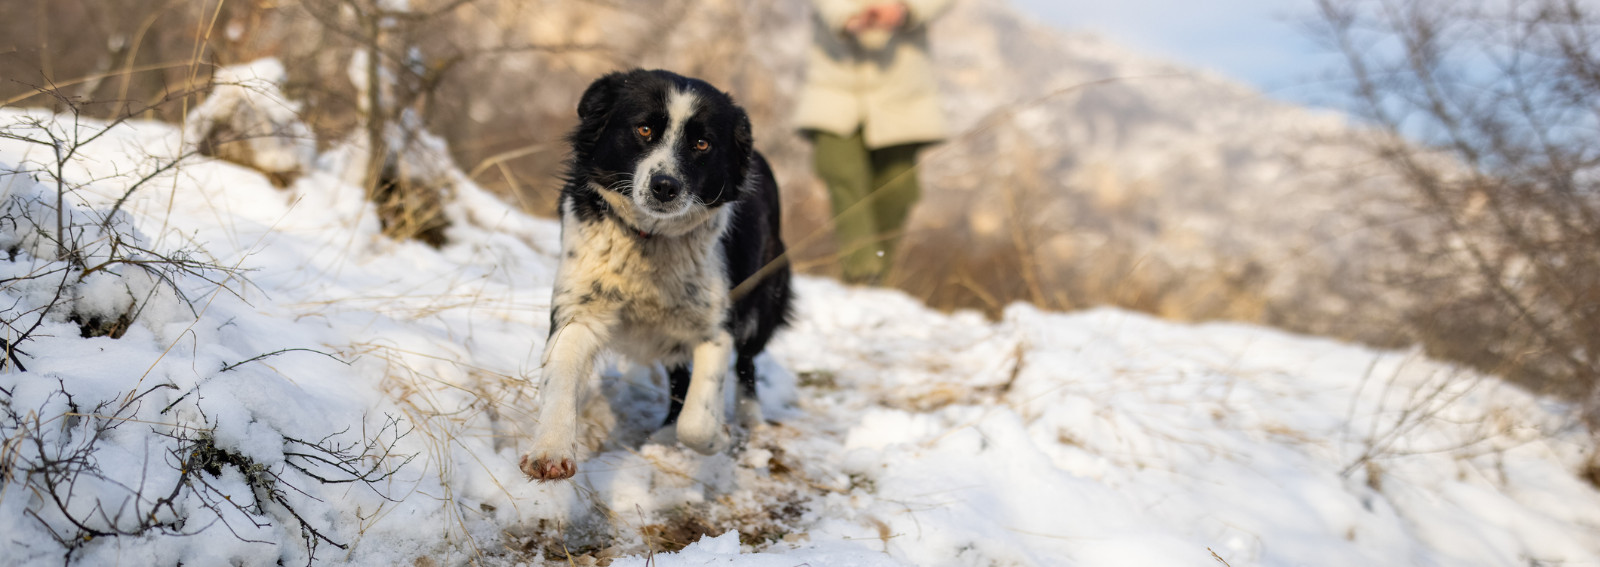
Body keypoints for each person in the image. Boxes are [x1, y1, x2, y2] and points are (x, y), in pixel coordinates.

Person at [796, 0, 952, 285]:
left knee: (898, 190)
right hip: (833, 88)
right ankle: (862, 271)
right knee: (840, 171)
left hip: (901, 91)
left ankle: (878, 275)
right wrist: (847, 16)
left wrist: (904, 9)